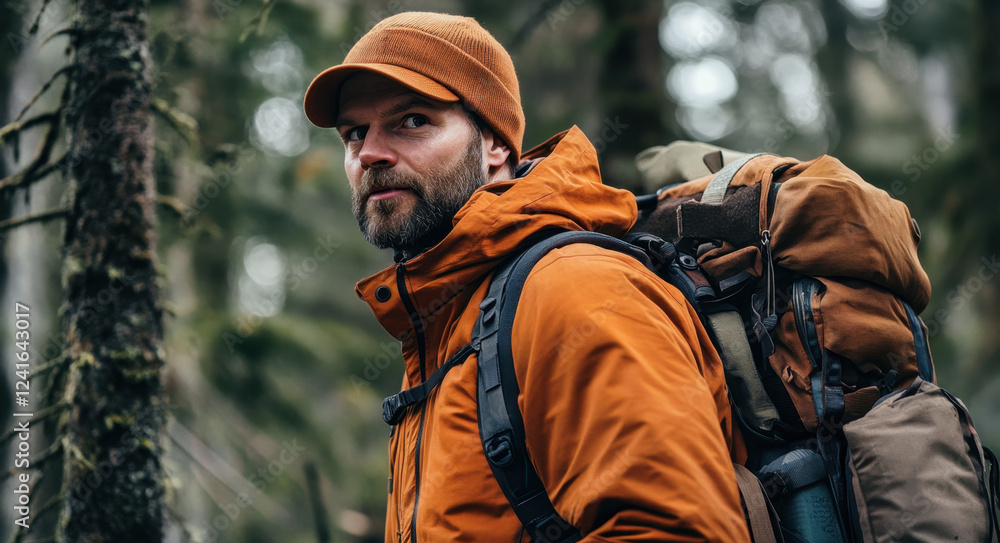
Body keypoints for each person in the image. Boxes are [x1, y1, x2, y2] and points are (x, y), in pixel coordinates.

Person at [304, 11, 750, 542]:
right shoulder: (445, 320)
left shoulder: (574, 288)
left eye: (412, 121)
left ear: (495, 143)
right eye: (355, 133)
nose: (370, 154)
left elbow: (677, 530)